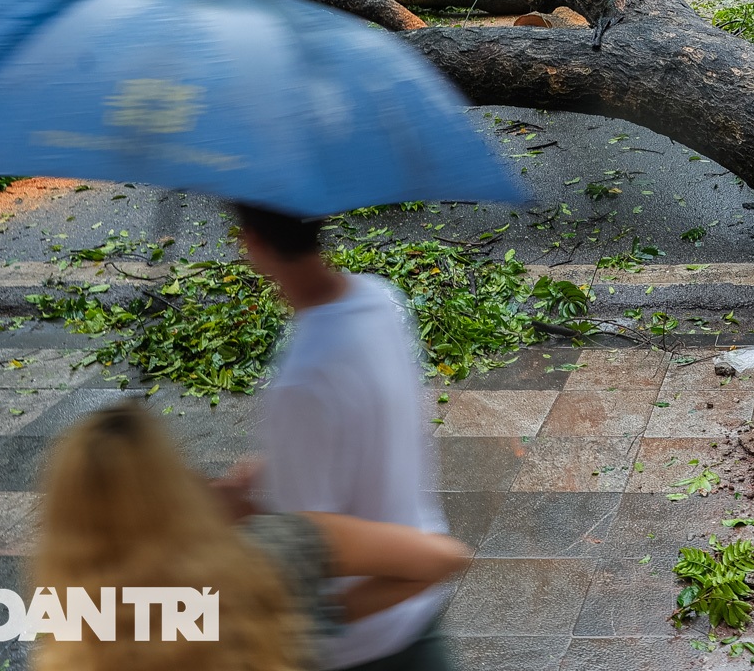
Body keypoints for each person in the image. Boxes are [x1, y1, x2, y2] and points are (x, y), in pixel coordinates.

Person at [31, 402, 470, 671]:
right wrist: (309, 614)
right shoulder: (269, 559)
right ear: (175, 486)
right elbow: (442, 558)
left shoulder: (68, 633)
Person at [214, 205, 457, 671]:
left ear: (253, 244)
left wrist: (238, 512)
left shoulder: (302, 381)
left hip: (361, 639)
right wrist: (277, 463)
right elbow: (365, 421)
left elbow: (306, 544)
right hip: (417, 601)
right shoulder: (382, 300)